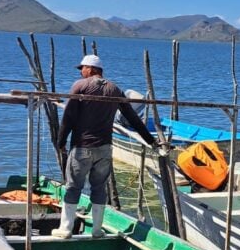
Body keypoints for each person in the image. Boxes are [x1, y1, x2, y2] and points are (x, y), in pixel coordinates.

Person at [54, 54, 163, 238]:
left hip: (82, 147)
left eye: (83, 68)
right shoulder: (115, 89)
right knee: (99, 189)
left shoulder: (80, 86)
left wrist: (60, 142)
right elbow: (133, 118)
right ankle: (97, 230)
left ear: (91, 69)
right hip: (105, 149)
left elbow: (68, 118)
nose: (81, 71)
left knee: (73, 187)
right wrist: (151, 140)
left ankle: (65, 229)